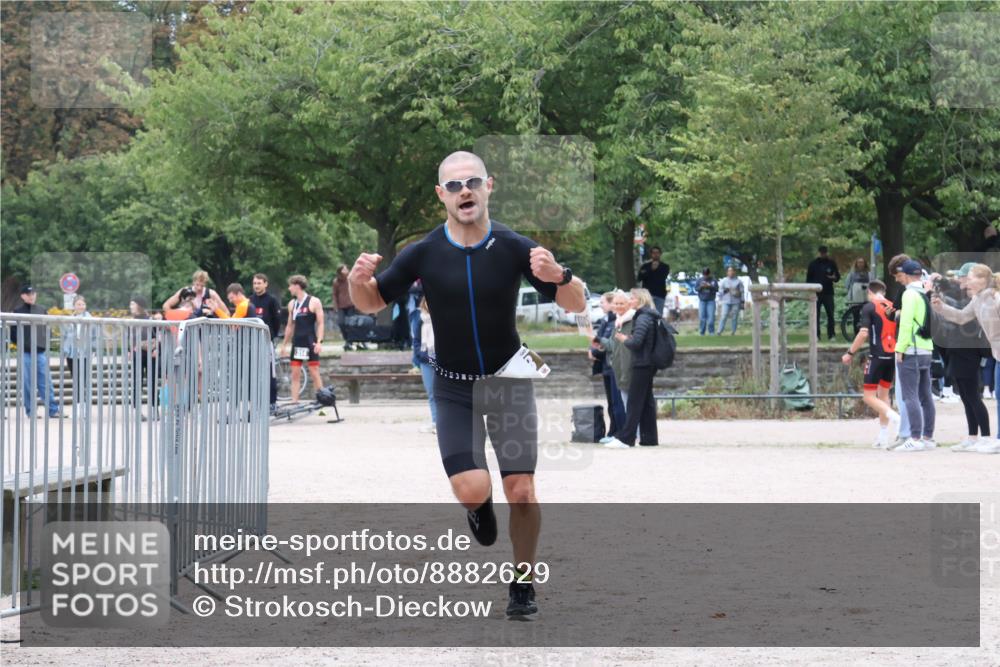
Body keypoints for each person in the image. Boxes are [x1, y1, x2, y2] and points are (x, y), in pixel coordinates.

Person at [347, 150, 586, 619]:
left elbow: (576, 304)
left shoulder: (517, 247)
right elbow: (371, 302)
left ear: (489, 186)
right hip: (453, 386)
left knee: (522, 491)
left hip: (508, 382)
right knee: (471, 488)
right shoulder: (423, 252)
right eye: (454, 186)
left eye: (472, 183)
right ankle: (479, 508)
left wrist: (562, 275)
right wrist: (359, 281)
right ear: (442, 195)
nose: (465, 192)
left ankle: (523, 582)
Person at [932, 263, 1000, 454]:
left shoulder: (995, 298)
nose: (967, 281)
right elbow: (961, 317)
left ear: (983, 280)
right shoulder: (977, 299)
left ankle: (992, 438)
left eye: (970, 277)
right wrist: (942, 308)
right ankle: (994, 439)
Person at [841, 280, 901, 448]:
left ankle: (895, 418)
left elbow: (863, 333)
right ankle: (883, 437)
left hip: (876, 356)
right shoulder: (892, 306)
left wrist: (850, 353)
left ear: (870, 292)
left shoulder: (869, 307)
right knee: (883, 396)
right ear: (884, 291)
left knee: (868, 396)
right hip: (891, 356)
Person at [604, 288, 660, 449]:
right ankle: (649, 438)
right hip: (647, 363)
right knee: (647, 403)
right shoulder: (648, 315)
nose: (630, 301)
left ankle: (626, 439)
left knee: (634, 403)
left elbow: (636, 342)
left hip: (641, 363)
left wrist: (623, 338)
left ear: (640, 300)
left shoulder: (642, 317)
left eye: (632, 299)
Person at [891, 259, 936, 452]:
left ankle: (915, 437)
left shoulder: (909, 294)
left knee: (910, 396)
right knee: (926, 395)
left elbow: (906, 323)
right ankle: (927, 437)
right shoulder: (925, 293)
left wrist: (900, 349)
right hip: (926, 347)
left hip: (912, 349)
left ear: (908, 275)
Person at [10, 285, 61, 418]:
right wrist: (22, 345)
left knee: (46, 382)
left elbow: (47, 329)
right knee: (28, 383)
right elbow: (13, 333)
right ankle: (31, 411)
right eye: (28, 294)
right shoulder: (17, 311)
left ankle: (53, 410)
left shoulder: (41, 310)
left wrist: (44, 343)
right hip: (26, 353)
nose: (31, 296)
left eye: (33, 293)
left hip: (40, 353)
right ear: (23, 296)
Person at [597, 291, 637, 445]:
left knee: (623, 402)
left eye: (621, 303)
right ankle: (618, 432)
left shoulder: (626, 320)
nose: (618, 306)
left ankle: (625, 434)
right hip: (613, 364)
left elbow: (616, 345)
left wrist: (596, 340)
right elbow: (611, 344)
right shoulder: (616, 321)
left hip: (622, 365)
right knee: (616, 402)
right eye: (616, 303)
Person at [280, 275, 325, 403]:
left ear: (297, 286)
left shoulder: (314, 301)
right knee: (295, 373)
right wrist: (284, 345)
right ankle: (295, 401)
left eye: (290, 286)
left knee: (314, 371)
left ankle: (322, 399)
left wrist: (319, 342)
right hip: (298, 342)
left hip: (310, 341)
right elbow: (290, 326)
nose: (289, 289)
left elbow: (321, 323)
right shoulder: (291, 304)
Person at [590, 292, 626, 439]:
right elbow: (598, 340)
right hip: (605, 365)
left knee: (617, 401)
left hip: (613, 365)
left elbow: (607, 343)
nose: (600, 305)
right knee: (611, 402)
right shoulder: (605, 320)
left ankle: (619, 431)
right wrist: (592, 350)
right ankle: (613, 430)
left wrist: (596, 348)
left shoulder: (615, 322)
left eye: (603, 302)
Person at [248, 273, 282, 410]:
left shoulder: (272, 300)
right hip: (252, 342)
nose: (256, 286)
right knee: (252, 373)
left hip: (266, 341)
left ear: (265, 284)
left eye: (259, 283)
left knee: (269, 373)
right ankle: (254, 402)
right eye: (254, 283)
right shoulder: (249, 300)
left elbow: (277, 321)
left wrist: (271, 335)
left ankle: (272, 402)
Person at [60, 294, 97, 407]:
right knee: (75, 379)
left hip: (85, 352)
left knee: (83, 379)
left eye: (83, 304)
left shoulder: (90, 319)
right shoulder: (70, 319)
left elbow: (95, 335)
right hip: (71, 353)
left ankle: (84, 404)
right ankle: (78, 405)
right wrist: (64, 350)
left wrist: (94, 349)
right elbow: (65, 336)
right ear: (74, 306)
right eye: (78, 304)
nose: (81, 306)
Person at [806, 245, 841, 340]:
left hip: (828, 292)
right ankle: (816, 335)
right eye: (821, 253)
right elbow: (808, 279)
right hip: (816, 293)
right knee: (815, 314)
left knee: (830, 314)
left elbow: (837, 277)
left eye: (824, 252)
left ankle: (831, 334)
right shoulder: (813, 264)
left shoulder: (831, 263)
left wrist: (833, 278)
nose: (823, 254)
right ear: (819, 253)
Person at [413, 297, 437, 434]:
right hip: (425, 360)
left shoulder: (443, 317)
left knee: (442, 393)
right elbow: (416, 341)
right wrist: (421, 355)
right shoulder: (420, 319)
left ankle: (443, 423)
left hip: (440, 360)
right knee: (431, 393)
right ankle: (435, 421)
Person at [162, 270, 228, 318]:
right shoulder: (184, 291)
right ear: (193, 282)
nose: (199, 288)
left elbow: (226, 312)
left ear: (205, 284)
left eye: (202, 286)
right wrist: (173, 318)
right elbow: (166, 305)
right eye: (197, 285)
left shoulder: (211, 294)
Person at [636, 246, 670, 317]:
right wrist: (651, 269)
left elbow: (663, 276)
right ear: (651, 254)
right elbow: (639, 278)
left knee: (658, 315)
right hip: (647, 295)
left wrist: (656, 269)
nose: (655, 254)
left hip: (659, 295)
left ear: (660, 254)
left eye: (657, 253)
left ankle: (658, 328)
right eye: (653, 253)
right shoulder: (645, 266)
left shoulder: (665, 267)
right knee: (647, 315)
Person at [331, 265, 357, 350]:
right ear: (340, 272)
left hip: (351, 305)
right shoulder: (336, 282)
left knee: (351, 324)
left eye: (346, 269)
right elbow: (334, 295)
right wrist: (335, 306)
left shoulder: (350, 279)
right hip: (341, 306)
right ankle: (347, 339)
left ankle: (349, 342)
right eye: (344, 269)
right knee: (341, 323)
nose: (346, 270)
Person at [717, 266, 744, 335]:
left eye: (732, 271)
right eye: (729, 271)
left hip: (736, 301)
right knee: (724, 315)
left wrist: (742, 302)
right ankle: (719, 331)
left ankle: (733, 331)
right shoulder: (724, 281)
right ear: (727, 272)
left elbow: (742, 292)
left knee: (734, 316)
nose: (731, 272)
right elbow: (720, 292)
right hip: (726, 301)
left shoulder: (739, 281)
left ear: (734, 272)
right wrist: (726, 290)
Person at [695, 268, 718, 335]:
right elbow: (696, 289)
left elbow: (717, 289)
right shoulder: (699, 280)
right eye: (704, 274)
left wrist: (710, 286)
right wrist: (701, 287)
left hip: (711, 301)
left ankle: (711, 332)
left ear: (709, 274)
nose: (705, 276)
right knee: (702, 317)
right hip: (702, 301)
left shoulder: (713, 280)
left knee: (711, 318)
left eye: (707, 274)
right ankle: (702, 332)